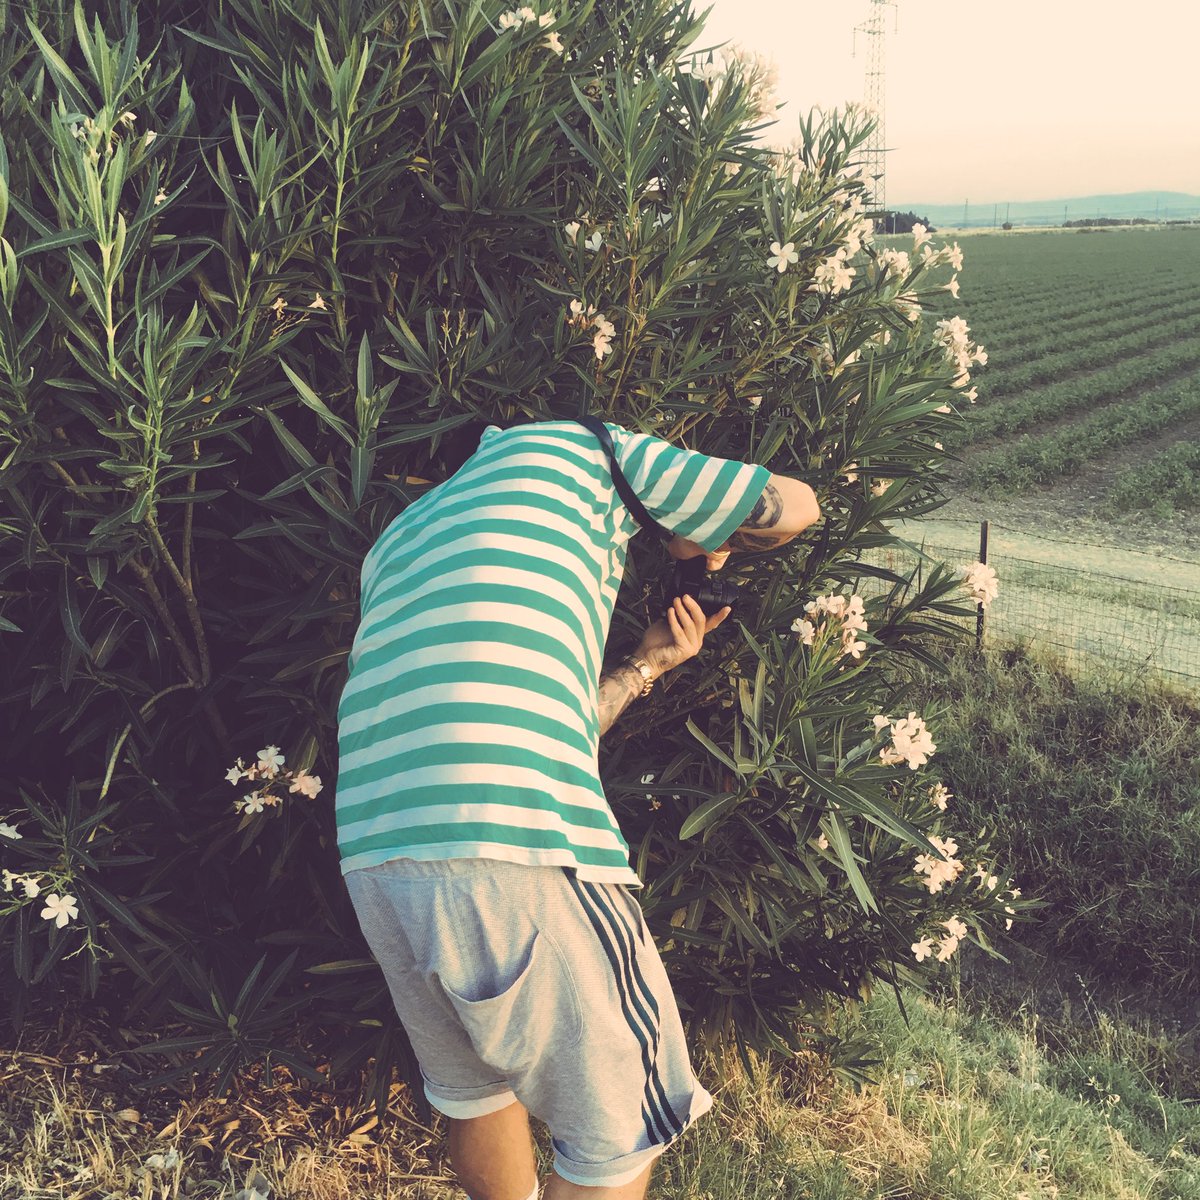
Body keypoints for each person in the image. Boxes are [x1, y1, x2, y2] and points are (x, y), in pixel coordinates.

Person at [335, 417, 821, 1200]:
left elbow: (530, 719)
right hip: (517, 840)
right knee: (618, 1136)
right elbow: (796, 506)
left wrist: (645, 664)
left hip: (378, 851)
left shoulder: (402, 536)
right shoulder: (594, 447)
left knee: (474, 1087)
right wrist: (711, 543)